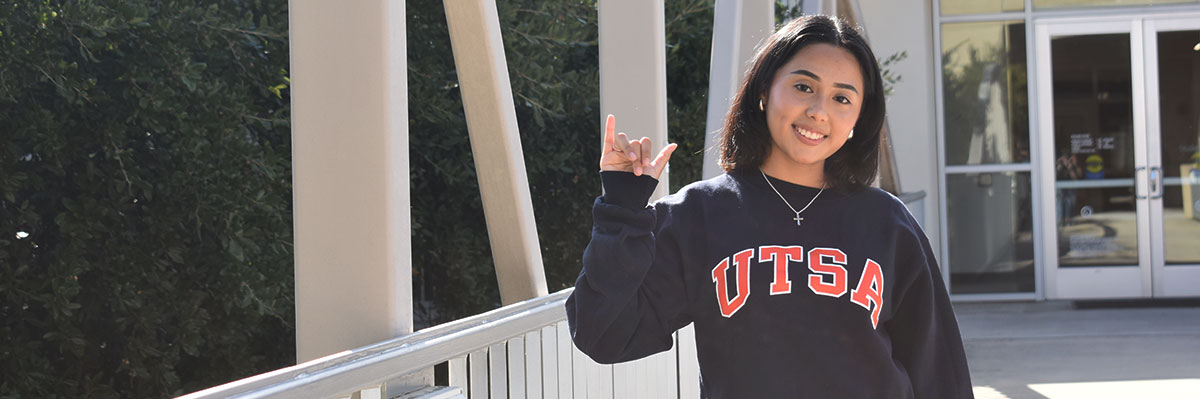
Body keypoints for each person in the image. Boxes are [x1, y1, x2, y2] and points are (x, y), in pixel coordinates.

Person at [565, 14, 974, 398]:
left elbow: (939, 372)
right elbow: (603, 334)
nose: (818, 111)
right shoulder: (699, 214)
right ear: (764, 91)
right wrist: (622, 208)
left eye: (842, 99)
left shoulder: (888, 223)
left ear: (858, 121)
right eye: (803, 87)